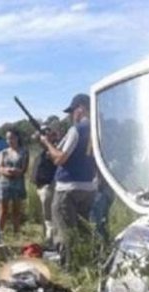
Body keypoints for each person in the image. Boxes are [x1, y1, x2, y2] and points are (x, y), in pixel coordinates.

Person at [39, 93, 96, 265]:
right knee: (83, 228)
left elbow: (60, 159)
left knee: (64, 230)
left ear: (81, 108)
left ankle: (68, 266)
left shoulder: (76, 130)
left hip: (68, 187)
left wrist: (46, 143)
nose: (71, 115)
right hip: (89, 187)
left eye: (73, 111)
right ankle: (86, 261)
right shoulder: (98, 129)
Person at [30, 125, 59, 248]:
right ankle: (47, 239)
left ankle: (51, 242)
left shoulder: (54, 149)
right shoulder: (45, 147)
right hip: (41, 187)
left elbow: (49, 150)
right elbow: (34, 138)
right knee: (45, 217)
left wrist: (47, 139)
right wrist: (41, 134)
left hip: (48, 187)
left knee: (49, 218)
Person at [0, 126, 29, 233]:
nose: (10, 140)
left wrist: (16, 172)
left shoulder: (24, 151)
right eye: (8, 138)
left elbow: (24, 169)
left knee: (16, 210)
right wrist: (7, 171)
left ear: (17, 138)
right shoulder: (3, 152)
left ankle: (16, 232)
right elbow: (0, 167)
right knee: (3, 209)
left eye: (12, 138)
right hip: (4, 183)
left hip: (18, 183)